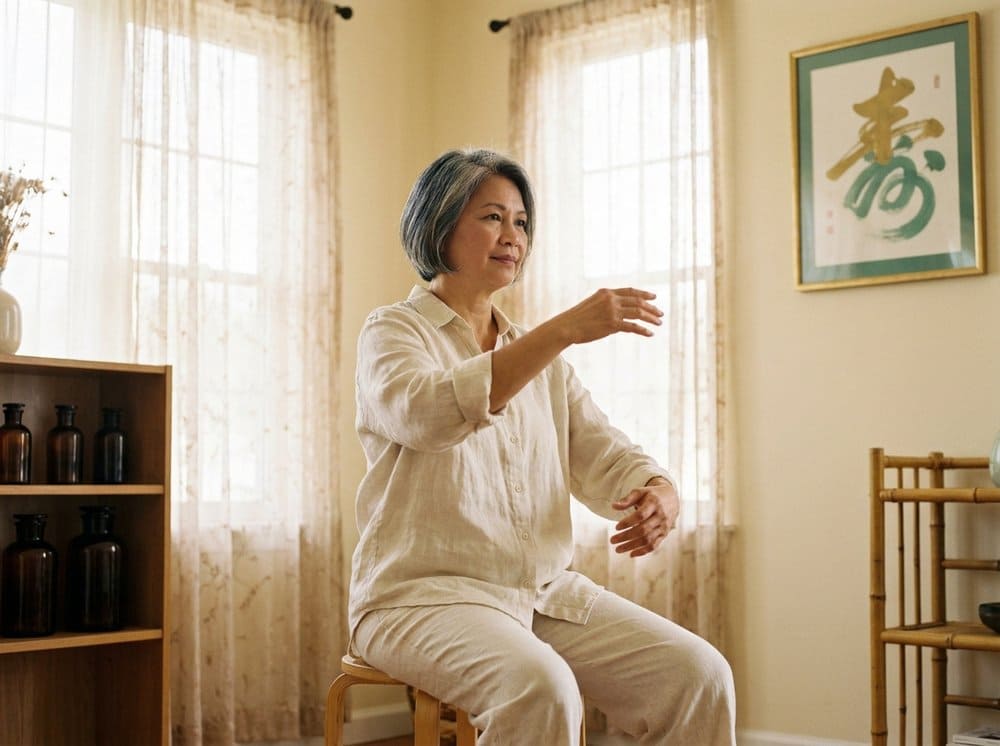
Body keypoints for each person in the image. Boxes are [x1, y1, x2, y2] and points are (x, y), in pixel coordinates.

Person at [348, 148, 736, 745]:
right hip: (419, 600)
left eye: (521, 222)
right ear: (441, 224)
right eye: (492, 217)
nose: (513, 236)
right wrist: (564, 331)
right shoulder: (394, 331)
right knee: (540, 687)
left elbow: (605, 455)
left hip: (542, 596)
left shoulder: (540, 360)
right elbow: (426, 413)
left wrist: (659, 491)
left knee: (698, 674)